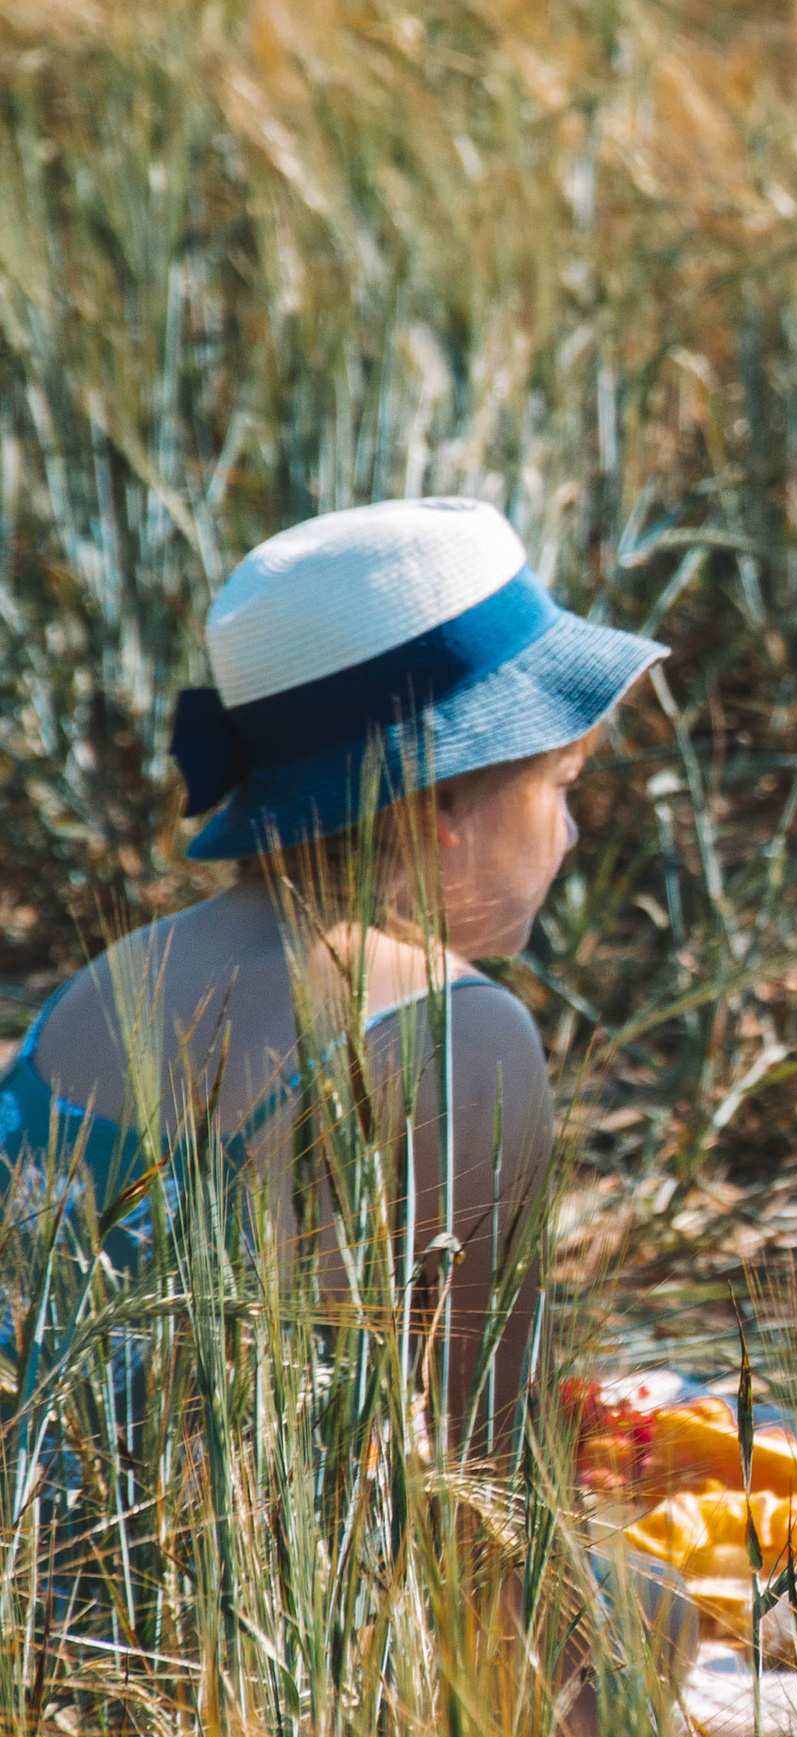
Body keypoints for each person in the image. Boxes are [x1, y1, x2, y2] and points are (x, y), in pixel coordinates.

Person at [0, 498, 662, 1441]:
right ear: (438, 800)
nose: (573, 829)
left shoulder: (110, 975)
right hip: (212, 1585)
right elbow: (492, 1465)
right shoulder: (459, 1032)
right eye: (562, 784)